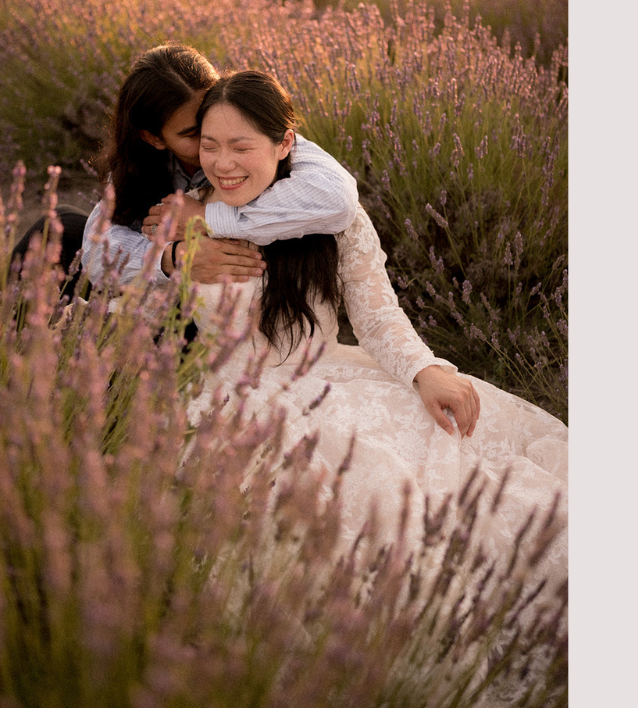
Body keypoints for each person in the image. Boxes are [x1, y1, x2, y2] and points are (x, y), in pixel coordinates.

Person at [182, 70, 567, 588]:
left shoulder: (331, 213)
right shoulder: (184, 212)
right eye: (209, 146)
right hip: (223, 394)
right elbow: (131, 283)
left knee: (428, 496)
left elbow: (375, 311)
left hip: (323, 380)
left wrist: (423, 369)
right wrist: (174, 254)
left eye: (240, 147)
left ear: (284, 144)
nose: (222, 164)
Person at [80, 45, 361, 290]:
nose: (213, 140)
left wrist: (205, 218)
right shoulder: (137, 165)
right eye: (193, 133)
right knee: (61, 226)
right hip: (173, 304)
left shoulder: (257, 137)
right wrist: (175, 258)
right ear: (153, 138)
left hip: (250, 304)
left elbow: (338, 198)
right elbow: (94, 251)